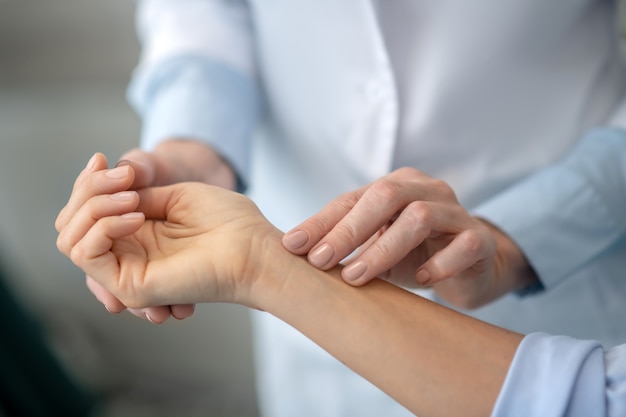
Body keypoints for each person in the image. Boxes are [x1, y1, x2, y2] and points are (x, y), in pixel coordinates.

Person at [94, 1, 626, 415]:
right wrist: (194, 147)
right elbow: (202, 11)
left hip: (562, 287)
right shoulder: (257, 262)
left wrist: (521, 235)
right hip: (310, 344)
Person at [55, 126, 626, 416]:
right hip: (311, 361)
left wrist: (515, 238)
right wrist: (182, 158)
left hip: (571, 278)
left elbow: (586, 399)